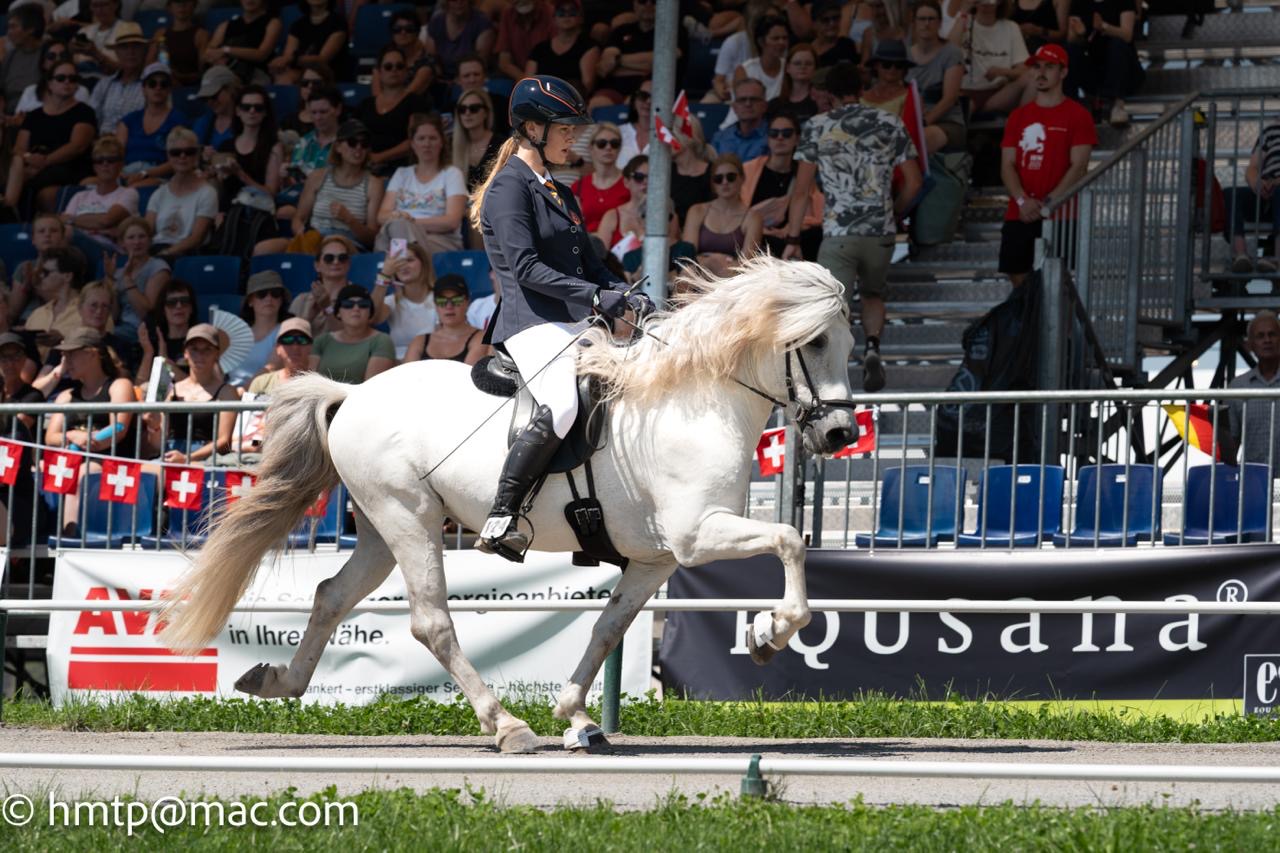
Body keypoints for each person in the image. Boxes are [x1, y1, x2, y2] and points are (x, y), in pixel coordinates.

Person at [470, 74, 641, 560]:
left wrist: (621, 294)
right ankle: (503, 517)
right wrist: (593, 297)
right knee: (563, 404)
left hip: (571, 322)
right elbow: (524, 268)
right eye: (565, 128)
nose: (574, 136)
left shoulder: (560, 192)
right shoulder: (508, 188)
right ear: (532, 129)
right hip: (531, 323)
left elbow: (588, 264)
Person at [784, 62, 921, 393]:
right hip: (881, 232)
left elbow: (801, 191)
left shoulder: (817, 126)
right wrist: (893, 212)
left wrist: (792, 237)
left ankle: (837, 371)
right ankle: (873, 346)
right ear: (861, 90)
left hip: (839, 234)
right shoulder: (890, 122)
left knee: (834, 303)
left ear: (828, 94)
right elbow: (915, 183)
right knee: (873, 294)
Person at [998, 44, 1095, 287]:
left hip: (1061, 211)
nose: (1041, 72)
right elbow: (1007, 165)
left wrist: (1050, 202)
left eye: (1049, 67)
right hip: (1020, 211)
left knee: (1059, 280)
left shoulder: (1078, 115)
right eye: (1036, 67)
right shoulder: (1018, 116)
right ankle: (1035, 321)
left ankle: (1050, 322)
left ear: (1063, 73)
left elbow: (1079, 165)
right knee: (1016, 272)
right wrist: (1022, 201)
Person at [44, 329, 139, 532]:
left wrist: (96, 441)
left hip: (111, 463)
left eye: (71, 353)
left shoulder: (119, 385)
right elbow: (50, 437)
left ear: (92, 353)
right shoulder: (67, 395)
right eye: (63, 354)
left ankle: (70, 541)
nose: (65, 359)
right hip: (74, 459)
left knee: (84, 474)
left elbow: (119, 428)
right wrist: (74, 436)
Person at [259, 119, 384, 255]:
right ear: (338, 147)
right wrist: (301, 231)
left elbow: (372, 238)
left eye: (364, 144)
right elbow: (299, 218)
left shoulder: (373, 184)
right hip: (315, 238)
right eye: (352, 143)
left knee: (330, 249)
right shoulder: (318, 176)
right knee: (263, 249)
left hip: (347, 244)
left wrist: (349, 220)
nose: (358, 148)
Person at [4, 60, 97, 215]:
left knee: (23, 181)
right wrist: (29, 158)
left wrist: (45, 161)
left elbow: (77, 146)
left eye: (72, 79)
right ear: (49, 83)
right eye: (61, 78)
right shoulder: (34, 116)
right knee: (16, 173)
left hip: (70, 167)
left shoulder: (84, 112)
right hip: (34, 165)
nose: (67, 82)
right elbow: (19, 148)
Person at [145, 324, 239, 464]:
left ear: (216, 354)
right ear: (185, 353)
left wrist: (187, 458)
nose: (200, 355)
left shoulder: (227, 392)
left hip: (207, 460)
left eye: (207, 349)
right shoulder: (172, 389)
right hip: (171, 455)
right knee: (145, 474)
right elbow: (158, 444)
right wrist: (154, 426)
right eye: (194, 349)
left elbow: (224, 441)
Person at [375, 112, 467, 254]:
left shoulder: (452, 174)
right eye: (421, 138)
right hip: (399, 236)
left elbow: (452, 221)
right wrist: (403, 224)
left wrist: (410, 224)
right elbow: (382, 216)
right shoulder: (401, 174)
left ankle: (392, 271)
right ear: (412, 143)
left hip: (440, 241)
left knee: (395, 236)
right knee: (391, 235)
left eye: (432, 138)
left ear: (442, 142)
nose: (427, 144)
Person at [741, 111, 823, 259]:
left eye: (787, 133)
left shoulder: (804, 174)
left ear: (797, 139)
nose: (780, 138)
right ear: (767, 139)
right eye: (774, 133)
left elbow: (815, 215)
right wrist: (762, 230)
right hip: (757, 235)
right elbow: (738, 212)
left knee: (814, 235)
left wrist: (790, 230)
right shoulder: (748, 169)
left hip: (792, 237)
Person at [32, 279, 130, 394]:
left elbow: (124, 380)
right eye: (94, 305)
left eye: (105, 306)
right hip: (60, 403)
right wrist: (61, 369)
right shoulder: (64, 345)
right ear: (80, 307)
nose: (99, 311)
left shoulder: (118, 345)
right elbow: (36, 391)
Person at [682, 154, 763, 278]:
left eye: (731, 177)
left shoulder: (753, 217)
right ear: (713, 184)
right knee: (686, 273)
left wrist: (718, 264)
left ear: (742, 178)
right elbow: (688, 257)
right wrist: (713, 262)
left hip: (732, 278)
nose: (724, 182)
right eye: (718, 179)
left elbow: (747, 263)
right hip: (699, 273)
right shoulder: (697, 211)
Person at [1065, 0, 1141, 127]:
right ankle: (1071, 106)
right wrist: (1080, 34)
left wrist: (1104, 27)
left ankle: (1117, 104)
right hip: (1094, 66)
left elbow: (1127, 35)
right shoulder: (1078, 3)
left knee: (1118, 44)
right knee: (1070, 50)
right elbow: (1072, 39)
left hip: (1123, 67)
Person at [357, 45, 432, 175]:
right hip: (366, 167)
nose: (394, 70)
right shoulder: (366, 104)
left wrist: (379, 157)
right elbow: (356, 136)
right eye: (388, 66)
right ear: (379, 72)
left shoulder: (416, 102)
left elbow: (416, 139)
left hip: (403, 169)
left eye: (399, 66)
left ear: (406, 71)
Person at [145, 127, 218, 259]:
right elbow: (147, 231)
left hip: (186, 255)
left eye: (189, 152)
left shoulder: (207, 193)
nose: (182, 156)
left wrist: (166, 254)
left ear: (197, 155)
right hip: (156, 250)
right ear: (168, 156)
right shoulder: (159, 193)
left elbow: (196, 238)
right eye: (176, 152)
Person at [908, 0, 968, 155]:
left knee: (920, 140)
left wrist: (923, 123)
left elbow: (950, 98)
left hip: (946, 123)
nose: (926, 24)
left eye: (931, 19)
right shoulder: (906, 54)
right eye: (921, 19)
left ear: (940, 23)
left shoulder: (951, 53)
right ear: (914, 22)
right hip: (911, 122)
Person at [951, 0, 1030, 115]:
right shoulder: (963, 22)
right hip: (965, 92)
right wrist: (963, 13)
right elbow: (949, 53)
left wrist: (1002, 72)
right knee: (965, 107)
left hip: (998, 94)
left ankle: (1021, 127)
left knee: (1032, 77)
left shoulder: (1011, 27)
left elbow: (1024, 70)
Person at [597, 0, 686, 102]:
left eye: (654, 1)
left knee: (634, 102)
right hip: (615, 90)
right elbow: (604, 67)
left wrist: (618, 61)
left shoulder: (673, 30)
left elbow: (664, 62)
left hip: (653, 91)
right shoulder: (621, 31)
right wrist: (646, 66)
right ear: (634, 5)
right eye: (642, 1)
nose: (648, 5)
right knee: (598, 103)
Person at [64, 135, 139, 252]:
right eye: (99, 161)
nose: (105, 164)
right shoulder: (79, 196)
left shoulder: (128, 193)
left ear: (121, 164)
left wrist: (73, 220)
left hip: (108, 250)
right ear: (94, 166)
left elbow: (106, 220)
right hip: (76, 248)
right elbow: (63, 222)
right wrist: (99, 227)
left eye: (111, 160)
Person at [1223, 311, 1280, 466]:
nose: (1267, 340)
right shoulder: (1237, 388)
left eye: (1272, 334)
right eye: (1260, 336)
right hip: (1252, 481)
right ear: (1250, 345)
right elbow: (1230, 444)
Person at [104, 215, 169, 347]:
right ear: (122, 243)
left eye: (142, 236)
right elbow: (113, 316)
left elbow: (146, 313)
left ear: (150, 240)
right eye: (131, 237)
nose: (137, 242)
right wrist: (111, 280)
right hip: (120, 328)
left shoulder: (158, 267)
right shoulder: (119, 272)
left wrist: (128, 280)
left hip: (141, 330)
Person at [309, 284, 395, 383]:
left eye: (363, 304)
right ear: (338, 312)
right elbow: (311, 382)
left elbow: (371, 388)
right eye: (348, 304)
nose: (356, 308)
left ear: (370, 311)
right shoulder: (321, 341)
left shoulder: (381, 340)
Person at [1225, 121, 1280, 274]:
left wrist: (1275, 182)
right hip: (1267, 192)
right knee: (1231, 194)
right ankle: (1241, 255)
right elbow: (1252, 167)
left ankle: (1277, 259)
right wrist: (1257, 183)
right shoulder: (1271, 131)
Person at [216, 83, 283, 208]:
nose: (252, 111)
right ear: (238, 111)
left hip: (257, 213)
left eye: (258, 108)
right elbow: (221, 189)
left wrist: (241, 174)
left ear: (265, 112)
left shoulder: (273, 147)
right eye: (246, 107)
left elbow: (271, 193)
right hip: (228, 212)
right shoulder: (225, 146)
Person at [116, 62, 183, 184]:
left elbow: (177, 161)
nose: (158, 88)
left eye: (163, 84)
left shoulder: (177, 121)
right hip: (127, 173)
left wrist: (144, 174)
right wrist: (120, 173)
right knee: (87, 184)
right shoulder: (128, 121)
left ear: (169, 90)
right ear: (143, 89)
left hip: (159, 176)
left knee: (135, 188)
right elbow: (116, 156)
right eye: (152, 84)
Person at [22, 246, 90, 359]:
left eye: (46, 272)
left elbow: (100, 349)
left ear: (67, 276)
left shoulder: (92, 312)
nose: (41, 276)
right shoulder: (37, 314)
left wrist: (63, 341)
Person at [373, 241, 437, 359]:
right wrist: (384, 275)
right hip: (397, 366)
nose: (403, 266)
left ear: (424, 264)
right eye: (398, 262)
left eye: (409, 260)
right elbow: (372, 318)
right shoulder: (391, 302)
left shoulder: (440, 299)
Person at [404, 274, 487, 364]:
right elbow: (407, 376)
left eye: (456, 300)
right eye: (442, 301)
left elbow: (467, 375)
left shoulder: (481, 338)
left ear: (467, 302)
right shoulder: (419, 341)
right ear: (435, 305)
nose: (449, 306)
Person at [526, 0, 599, 98]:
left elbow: (587, 85)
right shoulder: (540, 48)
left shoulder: (589, 46)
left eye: (572, 12)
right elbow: (527, 82)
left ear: (581, 18)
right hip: (541, 100)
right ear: (554, 19)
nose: (566, 16)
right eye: (561, 12)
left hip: (572, 102)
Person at [229, 270, 290, 387]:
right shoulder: (234, 334)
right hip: (229, 396)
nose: (269, 298)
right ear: (250, 301)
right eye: (262, 294)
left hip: (264, 397)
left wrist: (239, 395)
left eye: (275, 293)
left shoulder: (286, 331)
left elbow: (271, 368)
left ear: (281, 300)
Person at [289, 234, 359, 335]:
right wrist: (308, 318)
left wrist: (327, 308)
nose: (336, 262)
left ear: (348, 264)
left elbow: (352, 338)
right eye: (329, 258)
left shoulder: (358, 299)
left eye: (342, 258)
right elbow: (288, 341)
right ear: (317, 266)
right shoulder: (301, 301)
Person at [204, 0, 284, 87]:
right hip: (226, 70)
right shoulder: (225, 26)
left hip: (256, 73)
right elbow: (208, 53)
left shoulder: (273, 23)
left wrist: (226, 50)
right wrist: (217, 59)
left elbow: (261, 54)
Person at [269, 0, 350, 85]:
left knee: (288, 79)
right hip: (301, 72)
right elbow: (288, 56)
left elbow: (321, 60)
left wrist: (290, 59)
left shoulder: (338, 23)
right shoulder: (298, 25)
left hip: (327, 73)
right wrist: (279, 63)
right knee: (281, 77)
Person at [88, 22, 148, 136]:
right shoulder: (104, 84)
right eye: (125, 47)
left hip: (135, 143)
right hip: (103, 144)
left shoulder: (152, 84)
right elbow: (91, 118)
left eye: (135, 46)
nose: (131, 52)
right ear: (117, 52)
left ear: (143, 51)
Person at [135, 278, 196, 385]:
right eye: (171, 303)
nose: (179, 306)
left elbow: (200, 389)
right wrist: (148, 353)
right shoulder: (153, 345)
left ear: (191, 308)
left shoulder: (200, 343)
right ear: (163, 310)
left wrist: (167, 364)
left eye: (184, 301)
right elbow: (139, 386)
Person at [572, 123, 629, 236]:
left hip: (620, 249)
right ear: (591, 148)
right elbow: (574, 226)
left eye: (614, 144)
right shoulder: (578, 186)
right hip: (590, 249)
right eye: (601, 144)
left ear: (620, 148)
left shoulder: (630, 183)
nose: (608, 148)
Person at [13, 38, 92, 118]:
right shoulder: (30, 91)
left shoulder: (81, 91)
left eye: (63, 55)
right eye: (51, 56)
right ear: (43, 63)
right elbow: (18, 120)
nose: (58, 59)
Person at [423, 0, 495, 82]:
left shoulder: (482, 22)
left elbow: (481, 60)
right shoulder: (436, 21)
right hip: (441, 78)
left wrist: (458, 79)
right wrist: (440, 77)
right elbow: (431, 58)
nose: (459, 2)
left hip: (471, 76)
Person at [147, 0, 208, 87]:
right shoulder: (160, 33)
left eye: (186, 1)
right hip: (162, 85)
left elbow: (203, 72)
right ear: (169, 7)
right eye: (176, 1)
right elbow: (148, 65)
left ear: (194, 5)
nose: (182, 5)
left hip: (188, 86)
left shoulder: (201, 35)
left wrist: (180, 76)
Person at [452, 88, 503, 192]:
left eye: (474, 108)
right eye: (462, 109)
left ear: (486, 112)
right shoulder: (451, 145)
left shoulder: (502, 144)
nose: (467, 113)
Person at [0, 5, 46, 117]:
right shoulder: (11, 55)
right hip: (9, 112)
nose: (8, 33)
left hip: (37, 111)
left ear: (30, 29)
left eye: (13, 27)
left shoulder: (48, 52)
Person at [712, 77, 769, 164]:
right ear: (734, 107)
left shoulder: (775, 136)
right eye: (742, 100)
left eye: (753, 99)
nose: (748, 104)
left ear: (764, 106)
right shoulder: (720, 139)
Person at [734, 14, 790, 101]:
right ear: (761, 42)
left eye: (785, 38)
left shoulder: (789, 67)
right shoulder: (745, 70)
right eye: (775, 38)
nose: (781, 42)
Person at [496, 0, 554, 82]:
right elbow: (504, 62)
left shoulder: (550, 12)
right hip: (519, 79)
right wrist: (527, 82)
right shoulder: (508, 14)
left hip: (547, 77)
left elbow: (556, 60)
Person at [384, 9, 434, 98]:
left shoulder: (426, 62)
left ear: (417, 32)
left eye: (409, 29)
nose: (403, 33)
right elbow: (376, 93)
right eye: (397, 29)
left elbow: (408, 95)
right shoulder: (384, 58)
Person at [192, 65, 239, 152]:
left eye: (214, 96)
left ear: (230, 89)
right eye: (205, 98)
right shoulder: (202, 123)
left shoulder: (247, 120)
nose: (210, 102)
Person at [769, 44, 819, 124]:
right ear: (788, 68)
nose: (803, 67)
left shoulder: (821, 102)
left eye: (808, 63)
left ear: (815, 68)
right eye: (797, 63)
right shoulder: (774, 105)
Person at [811, 0, 860, 68]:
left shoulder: (847, 46)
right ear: (814, 24)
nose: (832, 24)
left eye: (835, 18)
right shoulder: (807, 50)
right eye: (825, 20)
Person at [615, 80, 651, 170]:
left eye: (656, 97)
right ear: (634, 101)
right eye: (643, 96)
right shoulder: (617, 132)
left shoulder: (670, 135)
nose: (649, 101)